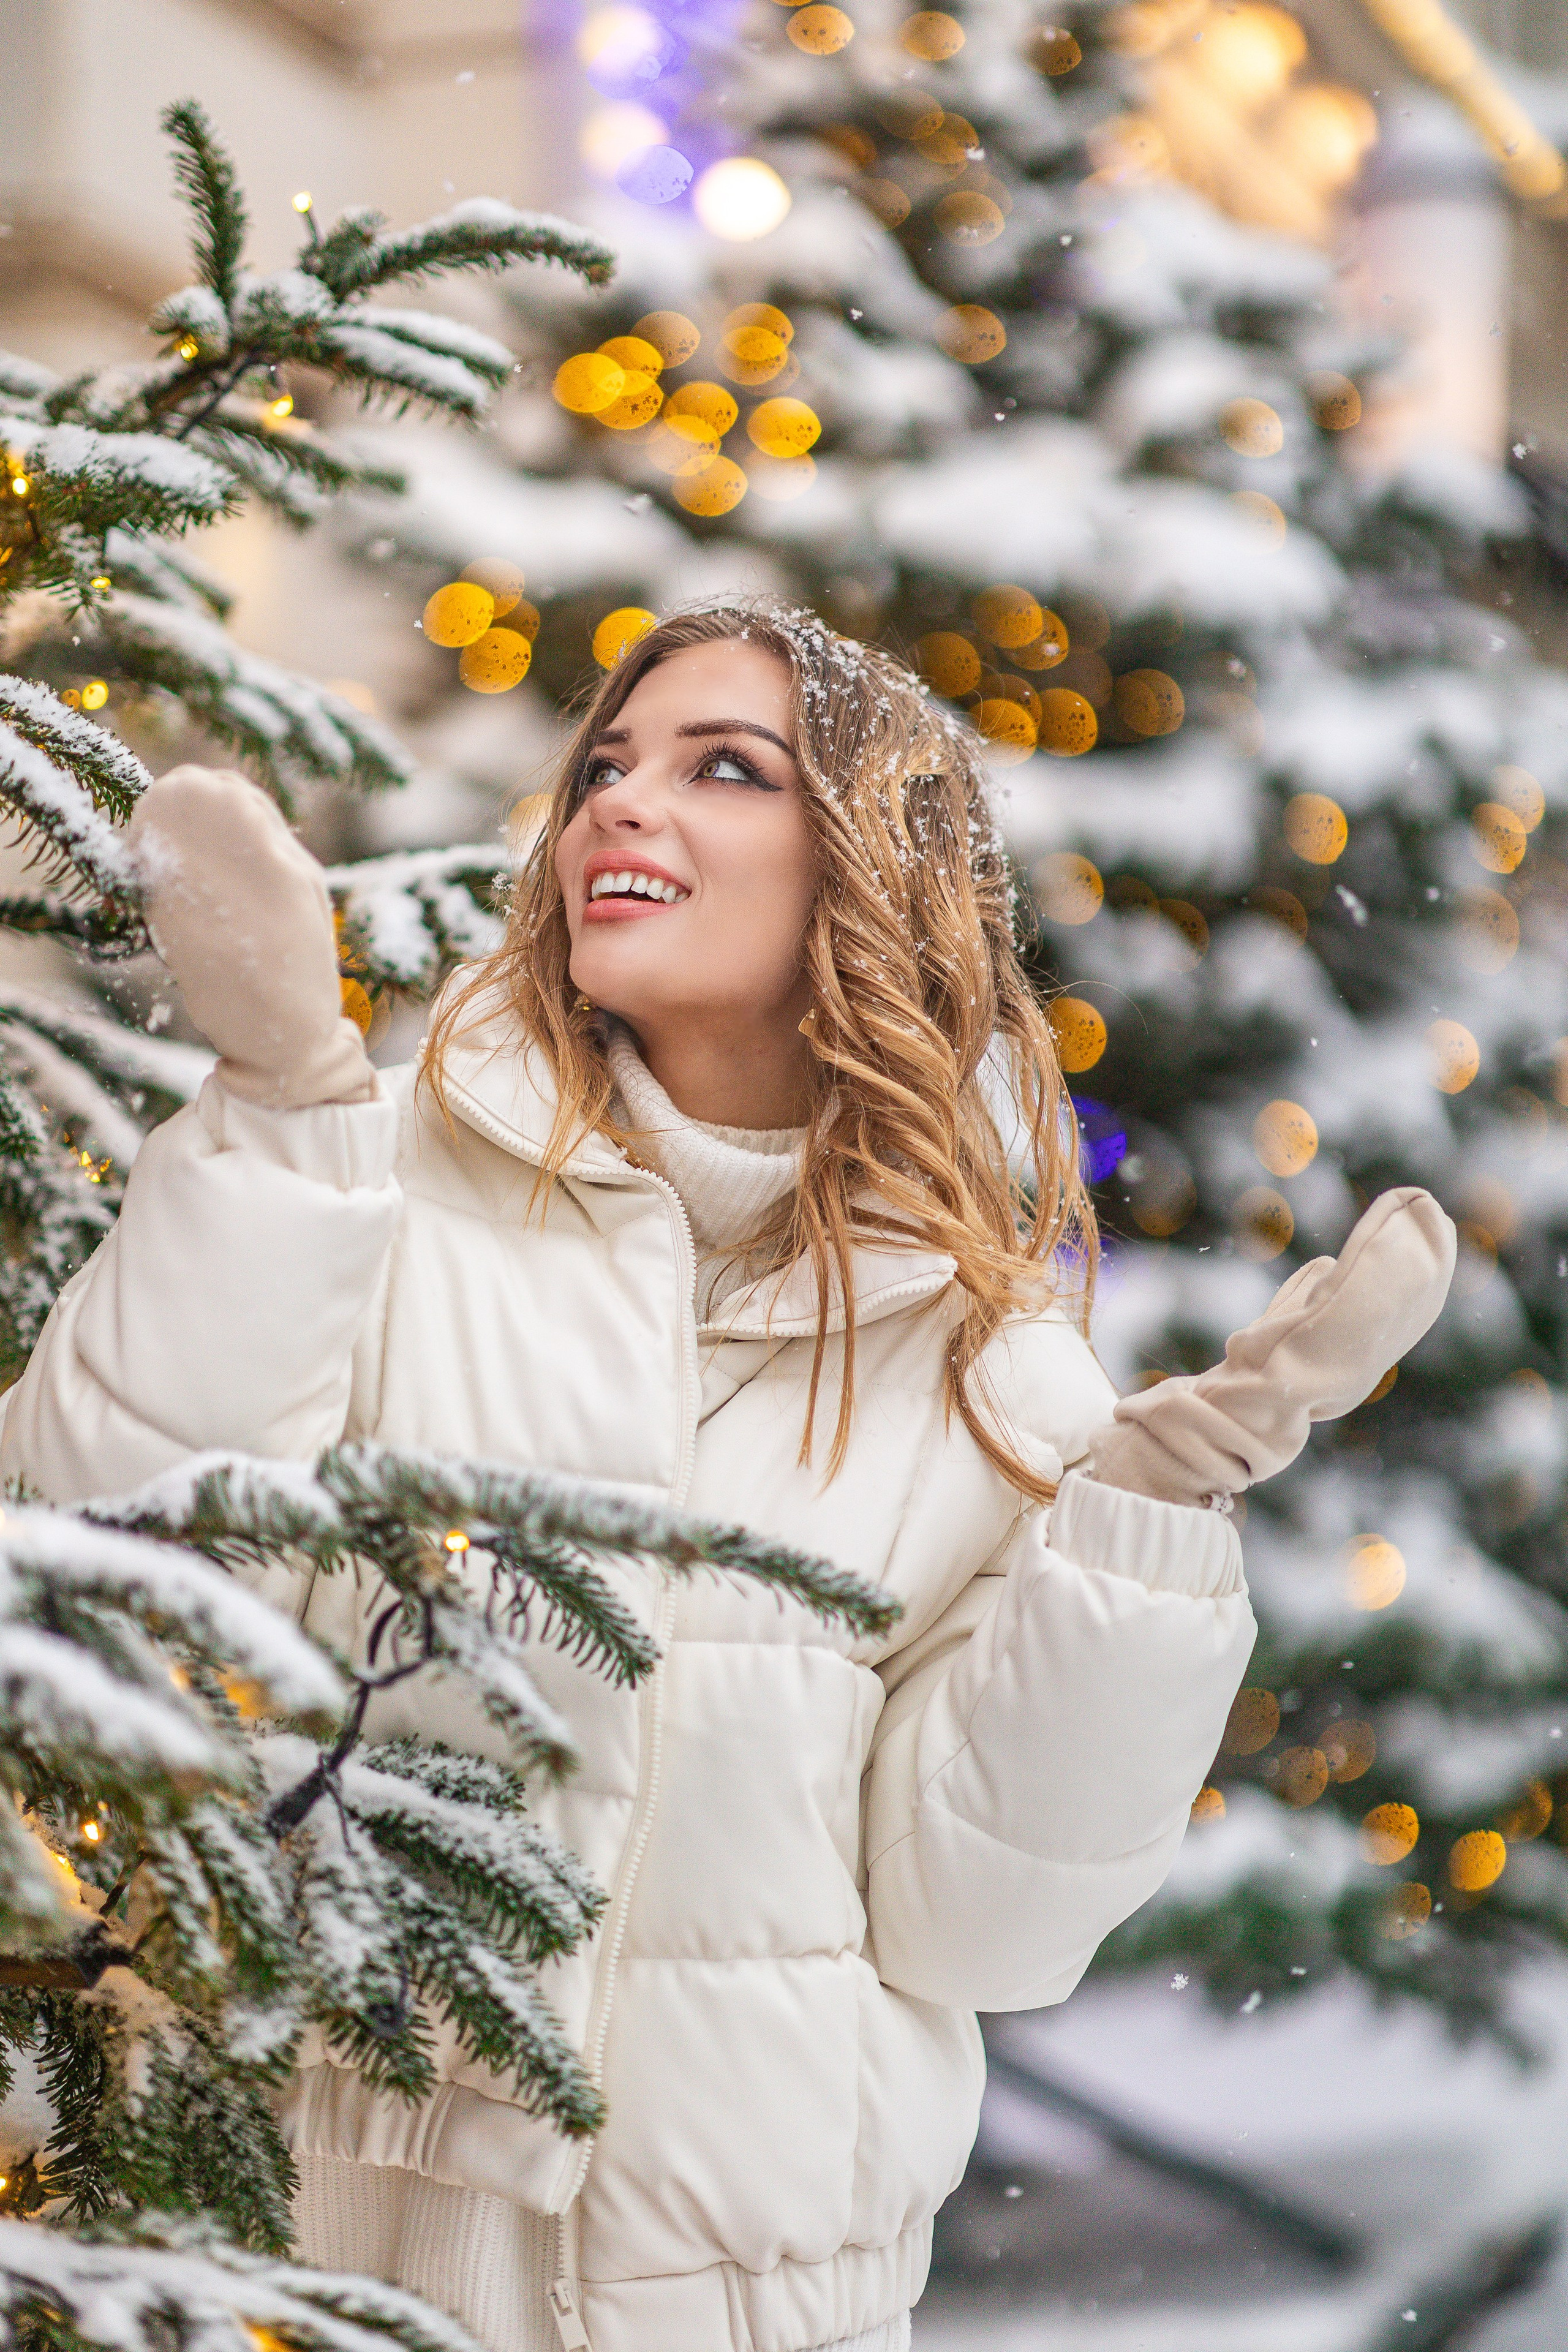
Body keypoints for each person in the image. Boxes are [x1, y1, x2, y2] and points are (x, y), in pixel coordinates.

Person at [0, 598, 1455, 2352]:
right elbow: (99, 1587)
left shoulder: (994, 1372)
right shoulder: (358, 1174)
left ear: (870, 864)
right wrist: (278, 1123)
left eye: (724, 769)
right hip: (286, 2268)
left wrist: (1156, 1515)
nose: (621, 802)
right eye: (606, 764)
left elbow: (987, 1928)